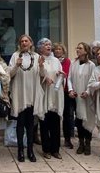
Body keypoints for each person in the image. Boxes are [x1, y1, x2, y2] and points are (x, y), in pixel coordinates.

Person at [9, 34, 45, 162]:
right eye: (22, 41)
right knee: (20, 123)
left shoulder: (36, 57)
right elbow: (10, 74)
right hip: (20, 94)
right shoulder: (15, 56)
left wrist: (41, 66)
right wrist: (16, 65)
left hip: (32, 94)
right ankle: (20, 150)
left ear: (31, 43)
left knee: (30, 124)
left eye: (26, 41)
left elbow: (42, 76)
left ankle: (30, 150)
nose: (24, 43)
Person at [37, 38, 64, 159]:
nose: (48, 46)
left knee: (55, 123)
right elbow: (38, 75)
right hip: (44, 93)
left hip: (55, 93)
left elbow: (60, 73)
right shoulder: (38, 59)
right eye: (45, 44)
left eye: (49, 44)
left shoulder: (56, 60)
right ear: (40, 47)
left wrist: (60, 74)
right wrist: (45, 77)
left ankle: (55, 149)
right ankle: (46, 149)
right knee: (44, 123)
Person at [68, 42, 95, 155]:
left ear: (86, 51)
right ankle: (81, 143)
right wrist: (70, 90)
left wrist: (88, 92)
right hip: (77, 96)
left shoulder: (91, 65)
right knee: (79, 119)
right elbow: (69, 78)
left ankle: (88, 143)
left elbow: (93, 80)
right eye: (77, 48)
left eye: (80, 48)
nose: (77, 50)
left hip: (87, 96)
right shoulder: (73, 63)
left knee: (87, 119)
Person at [53, 42, 74, 149]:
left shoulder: (67, 61)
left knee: (67, 115)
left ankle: (67, 139)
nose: (57, 51)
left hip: (65, 91)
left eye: (59, 49)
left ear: (63, 51)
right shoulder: (51, 61)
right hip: (54, 91)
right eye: (56, 49)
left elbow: (69, 75)